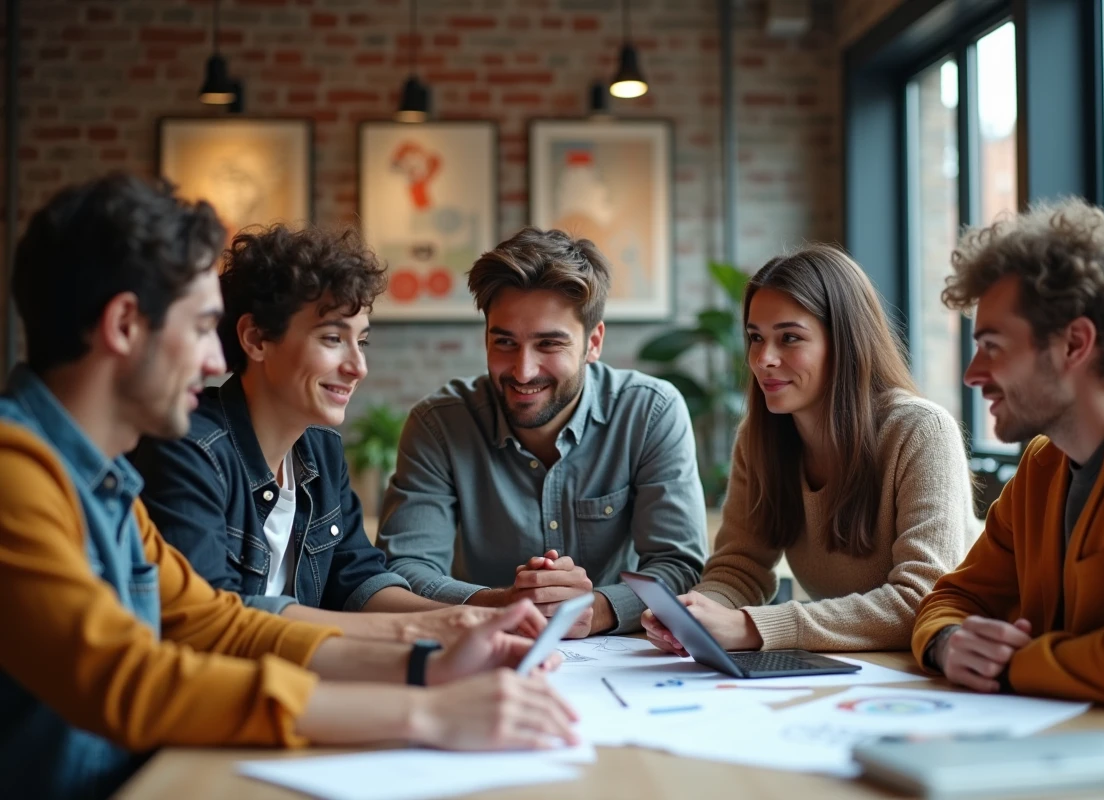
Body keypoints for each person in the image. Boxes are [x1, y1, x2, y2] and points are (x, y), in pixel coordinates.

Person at [0, 174, 575, 800]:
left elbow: (214, 624)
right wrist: (428, 713)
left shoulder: (103, 478)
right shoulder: (15, 472)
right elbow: (131, 677)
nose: (215, 361)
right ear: (124, 325)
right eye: (199, 328)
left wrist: (425, 664)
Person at [133, 225, 525, 644]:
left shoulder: (320, 452)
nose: (358, 367)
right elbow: (212, 619)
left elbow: (359, 580)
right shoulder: (190, 449)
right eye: (333, 338)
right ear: (256, 338)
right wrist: (419, 628)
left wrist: (484, 612)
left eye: (362, 342)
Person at [910, 199, 1104, 732]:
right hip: (1080, 751)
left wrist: (1008, 663)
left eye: (992, 346)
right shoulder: (1044, 465)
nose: (974, 374)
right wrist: (949, 643)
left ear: (1075, 343)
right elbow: (953, 598)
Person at [642, 245, 978, 654]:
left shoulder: (921, 431)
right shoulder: (760, 436)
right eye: (755, 338)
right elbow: (740, 566)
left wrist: (750, 627)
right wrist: (697, 613)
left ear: (846, 343)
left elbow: (922, 599)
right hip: (857, 669)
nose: (764, 358)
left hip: (944, 667)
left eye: (790, 338)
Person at [376, 227, 708, 637]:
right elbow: (405, 569)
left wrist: (595, 611)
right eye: (505, 343)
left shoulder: (650, 412)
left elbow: (680, 566)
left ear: (594, 342)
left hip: (619, 661)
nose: (523, 370)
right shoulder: (439, 425)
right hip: (481, 652)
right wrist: (504, 605)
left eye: (549, 344)